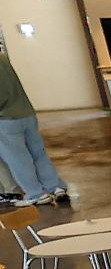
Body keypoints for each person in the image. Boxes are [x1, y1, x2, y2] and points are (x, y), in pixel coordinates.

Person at [0, 45, 68, 205]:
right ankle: (56, 187)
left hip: (6, 119)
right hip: (27, 113)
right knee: (38, 153)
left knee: (18, 159)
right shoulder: (4, 59)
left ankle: (36, 193)